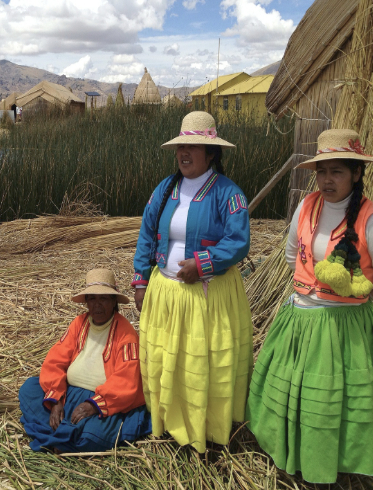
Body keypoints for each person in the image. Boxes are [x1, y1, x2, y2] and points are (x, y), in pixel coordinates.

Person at [246, 129, 373, 483]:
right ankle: (292, 454)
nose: (327, 180)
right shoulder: (307, 205)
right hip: (300, 316)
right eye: (322, 171)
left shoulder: (368, 217)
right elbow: (291, 255)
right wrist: (309, 286)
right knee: (291, 390)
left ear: (356, 174)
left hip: (342, 325)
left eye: (337, 171)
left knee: (330, 400)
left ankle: (332, 464)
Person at [132, 111, 253, 453]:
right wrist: (141, 280)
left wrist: (202, 264)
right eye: (180, 146)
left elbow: (239, 241)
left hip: (207, 296)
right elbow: (146, 233)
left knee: (202, 363)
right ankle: (170, 423)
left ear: (211, 153)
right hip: (166, 293)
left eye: (193, 147)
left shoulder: (228, 194)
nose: (184, 153)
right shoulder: (166, 189)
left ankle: (208, 430)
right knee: (169, 360)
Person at [19, 269, 151, 452]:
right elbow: (55, 360)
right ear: (86, 302)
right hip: (68, 394)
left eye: (103, 299)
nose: (97, 305)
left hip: (100, 401)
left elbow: (128, 379)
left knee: (94, 433)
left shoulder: (126, 333)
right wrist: (56, 398)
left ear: (114, 302)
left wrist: (93, 404)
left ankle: (56, 437)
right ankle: (65, 438)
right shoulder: (79, 323)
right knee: (29, 389)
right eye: (92, 299)